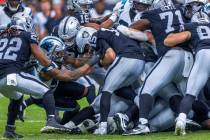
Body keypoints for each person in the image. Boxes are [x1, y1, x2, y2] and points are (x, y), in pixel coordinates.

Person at [164, 11, 210, 135]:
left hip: (204, 54)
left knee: (190, 94)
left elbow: (168, 41)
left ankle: (181, 121)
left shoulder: (190, 26)